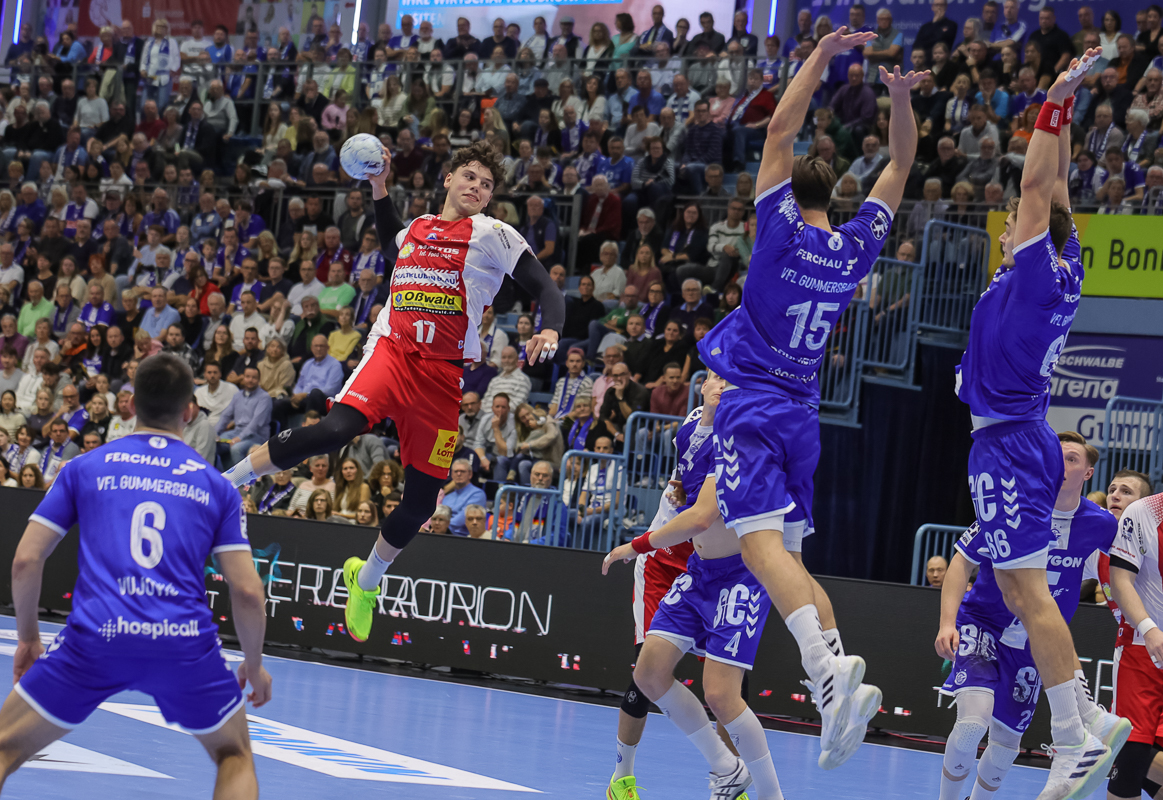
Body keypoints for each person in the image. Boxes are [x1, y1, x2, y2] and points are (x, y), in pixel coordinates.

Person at [224, 141, 565, 641]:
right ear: (448, 179)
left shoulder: (493, 234)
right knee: (334, 431)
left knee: (422, 503)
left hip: (442, 376)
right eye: (469, 176)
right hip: (392, 352)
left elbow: (547, 288)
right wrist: (379, 186)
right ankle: (224, 485)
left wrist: (550, 327)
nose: (477, 187)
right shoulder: (419, 228)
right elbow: (391, 245)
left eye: (487, 184)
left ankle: (365, 581)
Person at [699, 28, 922, 772]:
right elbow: (900, 163)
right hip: (802, 413)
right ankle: (835, 693)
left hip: (754, 405)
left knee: (758, 548)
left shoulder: (779, 235)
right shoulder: (855, 249)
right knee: (792, 557)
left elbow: (780, 130)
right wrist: (898, 99)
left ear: (788, 193)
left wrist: (821, 55)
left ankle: (826, 670)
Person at [955, 47, 1127, 800]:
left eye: (1011, 226)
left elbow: (1034, 187)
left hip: (1006, 443)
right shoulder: (1067, 261)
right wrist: (1069, 111)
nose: (1005, 229)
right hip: (1018, 435)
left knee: (1027, 592)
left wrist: (1054, 99)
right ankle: (1083, 721)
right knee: (1017, 584)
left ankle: (1073, 736)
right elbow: (1054, 190)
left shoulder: (1030, 275)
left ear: (1025, 237)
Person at [0, 354, 269, 796]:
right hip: (183, 643)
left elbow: (26, 561)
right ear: (189, 410)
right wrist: (253, 665)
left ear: (130, 405)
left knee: (4, 747)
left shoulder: (82, 468)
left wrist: (28, 638)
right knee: (233, 754)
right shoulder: (217, 487)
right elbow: (247, 591)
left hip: (96, 638)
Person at [603, 374, 785, 800]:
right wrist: (679, 495)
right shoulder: (691, 428)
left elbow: (703, 513)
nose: (722, 384)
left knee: (724, 692)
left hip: (732, 571)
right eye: (716, 377)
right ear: (702, 384)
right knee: (646, 673)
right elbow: (689, 486)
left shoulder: (745, 435)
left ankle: (743, 784)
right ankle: (626, 778)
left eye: (732, 379)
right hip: (677, 563)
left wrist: (634, 543)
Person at [934, 431, 1123, 800]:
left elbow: (1125, 569)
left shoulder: (1100, 524)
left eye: (1072, 459)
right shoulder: (1013, 505)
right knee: (972, 724)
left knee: (1006, 746)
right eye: (1056, 456)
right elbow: (962, 561)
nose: (1061, 464)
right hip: (984, 625)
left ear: (1088, 472)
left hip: (1034, 646)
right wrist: (946, 622)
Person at [1105, 434, 1163, 800]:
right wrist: (1149, 629)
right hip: (1143, 648)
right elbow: (1120, 579)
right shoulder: (1144, 512)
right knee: (1131, 759)